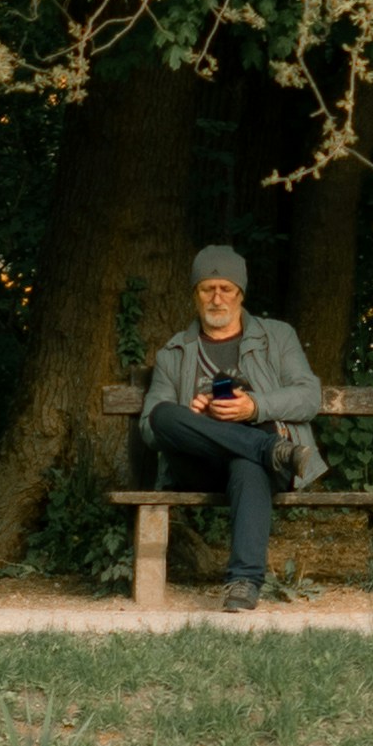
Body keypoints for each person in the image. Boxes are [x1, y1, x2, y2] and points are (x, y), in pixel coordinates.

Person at [140, 245, 328, 613]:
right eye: (207, 288)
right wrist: (192, 416)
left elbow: (309, 396)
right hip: (202, 462)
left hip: (253, 466)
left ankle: (243, 582)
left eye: (226, 288)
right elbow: (150, 428)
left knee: (248, 463)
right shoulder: (173, 353)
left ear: (241, 293)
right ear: (194, 294)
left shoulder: (277, 336)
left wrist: (254, 407)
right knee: (164, 415)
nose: (216, 298)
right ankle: (267, 447)